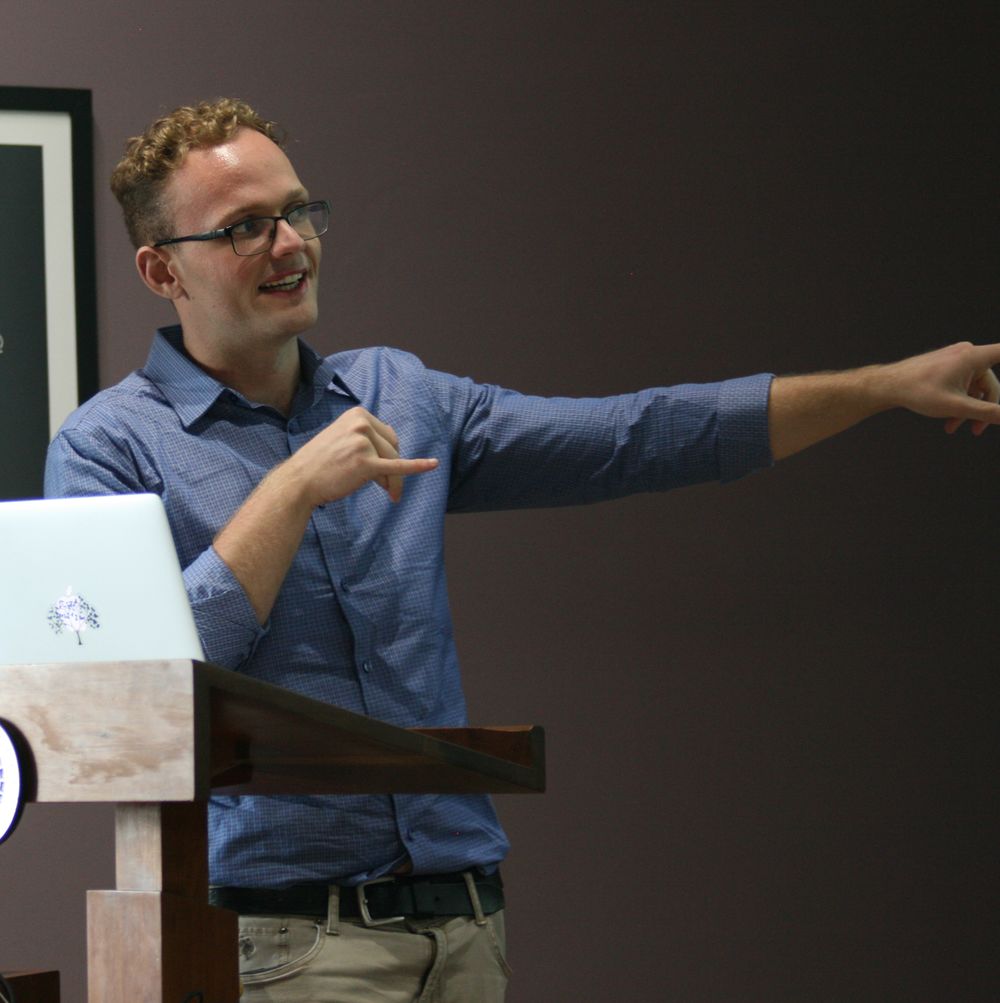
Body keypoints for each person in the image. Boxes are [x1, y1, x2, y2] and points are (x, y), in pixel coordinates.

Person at [44, 98, 1000, 1001]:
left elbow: (641, 435)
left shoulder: (402, 396)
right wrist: (290, 490)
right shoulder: (108, 447)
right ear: (162, 271)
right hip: (286, 944)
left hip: (465, 924)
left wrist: (884, 386)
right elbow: (122, 707)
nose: (290, 243)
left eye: (297, 212)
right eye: (245, 227)